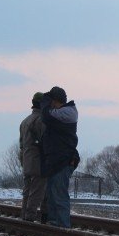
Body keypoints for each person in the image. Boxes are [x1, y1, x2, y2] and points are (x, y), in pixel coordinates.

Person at [40, 86, 79, 228]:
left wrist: (44, 103)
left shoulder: (67, 113)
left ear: (54, 100)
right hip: (56, 161)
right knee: (52, 195)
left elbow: (46, 116)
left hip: (62, 161)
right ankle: (55, 225)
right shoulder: (61, 112)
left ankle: (64, 228)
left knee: (59, 196)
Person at [19, 92, 46, 222]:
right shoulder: (40, 120)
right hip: (38, 161)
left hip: (26, 160)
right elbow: (45, 141)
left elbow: (21, 144)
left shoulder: (24, 121)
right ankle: (30, 217)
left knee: (27, 191)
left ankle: (24, 215)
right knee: (36, 191)